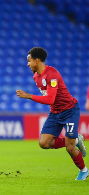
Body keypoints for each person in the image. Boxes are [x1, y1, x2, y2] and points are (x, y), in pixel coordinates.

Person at [16, 47, 88, 180]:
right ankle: (76, 139)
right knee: (43, 143)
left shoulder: (52, 74)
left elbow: (50, 99)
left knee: (70, 148)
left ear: (37, 61)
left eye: (29, 60)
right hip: (55, 113)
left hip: (70, 110)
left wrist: (29, 96)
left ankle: (83, 170)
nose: (27, 63)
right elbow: (50, 100)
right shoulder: (36, 77)